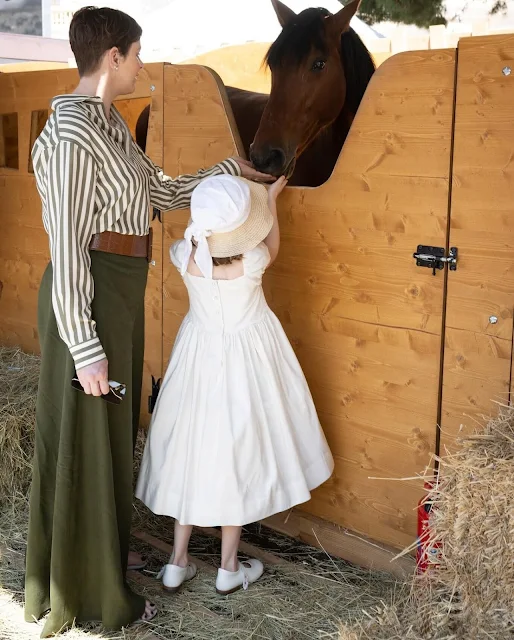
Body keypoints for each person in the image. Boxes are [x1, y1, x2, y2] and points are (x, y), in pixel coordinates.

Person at [25, 6, 273, 637]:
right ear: (113, 57)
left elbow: (157, 193)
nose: (141, 65)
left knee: (111, 430)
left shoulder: (106, 125)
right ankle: (91, 591)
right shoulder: (68, 136)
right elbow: (68, 244)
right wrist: (84, 346)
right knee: (85, 431)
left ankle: (106, 553)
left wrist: (225, 171)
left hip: (120, 290)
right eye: (137, 54)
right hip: (89, 295)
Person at [135, 174, 334, 595]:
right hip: (248, 363)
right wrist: (271, 201)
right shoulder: (255, 261)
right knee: (238, 453)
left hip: (197, 360)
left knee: (190, 449)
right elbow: (272, 246)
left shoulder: (181, 254)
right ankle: (228, 566)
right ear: (242, 230)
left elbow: (196, 247)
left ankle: (177, 561)